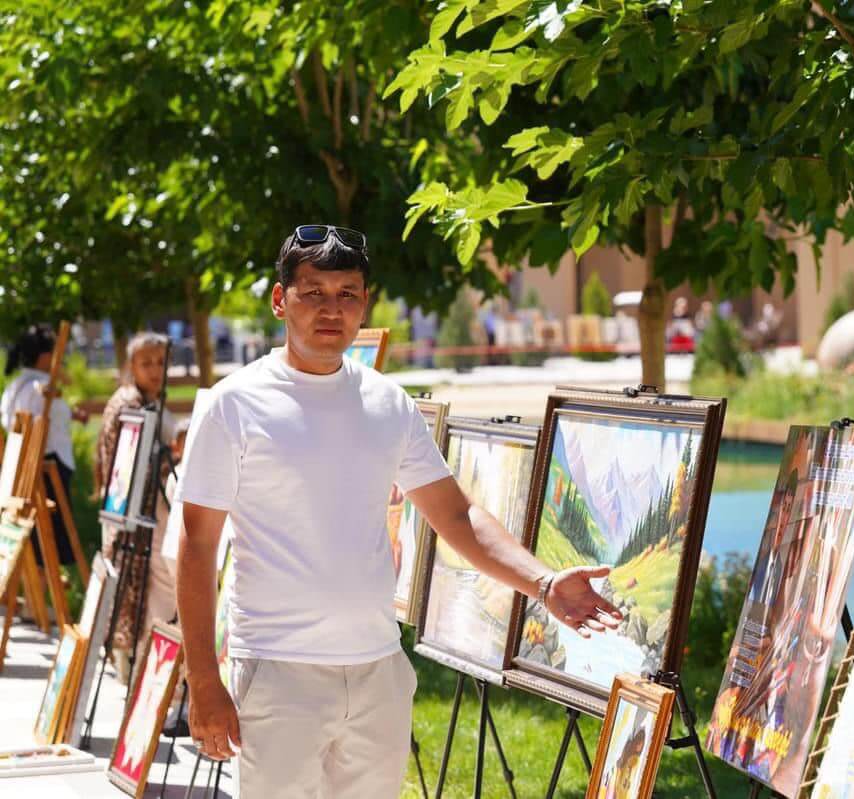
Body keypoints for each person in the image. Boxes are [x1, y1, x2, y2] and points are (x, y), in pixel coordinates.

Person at [176, 225, 621, 797]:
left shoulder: (387, 402)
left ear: (365, 302)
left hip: (378, 673)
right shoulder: (233, 405)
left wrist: (544, 583)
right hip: (278, 674)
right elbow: (197, 546)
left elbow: (456, 515)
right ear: (280, 300)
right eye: (313, 293)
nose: (331, 309)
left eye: (347, 293)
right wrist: (202, 679)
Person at [94, 332, 177, 682]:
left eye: (160, 362)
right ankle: (138, 664)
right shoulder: (132, 403)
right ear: (132, 366)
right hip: (134, 515)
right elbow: (137, 465)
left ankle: (132, 662)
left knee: (137, 587)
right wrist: (174, 459)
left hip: (133, 511)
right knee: (141, 586)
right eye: (146, 363)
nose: (155, 370)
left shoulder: (144, 399)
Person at [1, 324, 89, 568]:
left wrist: (72, 413)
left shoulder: (15, 386)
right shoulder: (40, 387)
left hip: (21, 467)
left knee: (35, 542)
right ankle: (43, 578)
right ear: (46, 356)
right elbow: (49, 418)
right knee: (46, 542)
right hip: (46, 466)